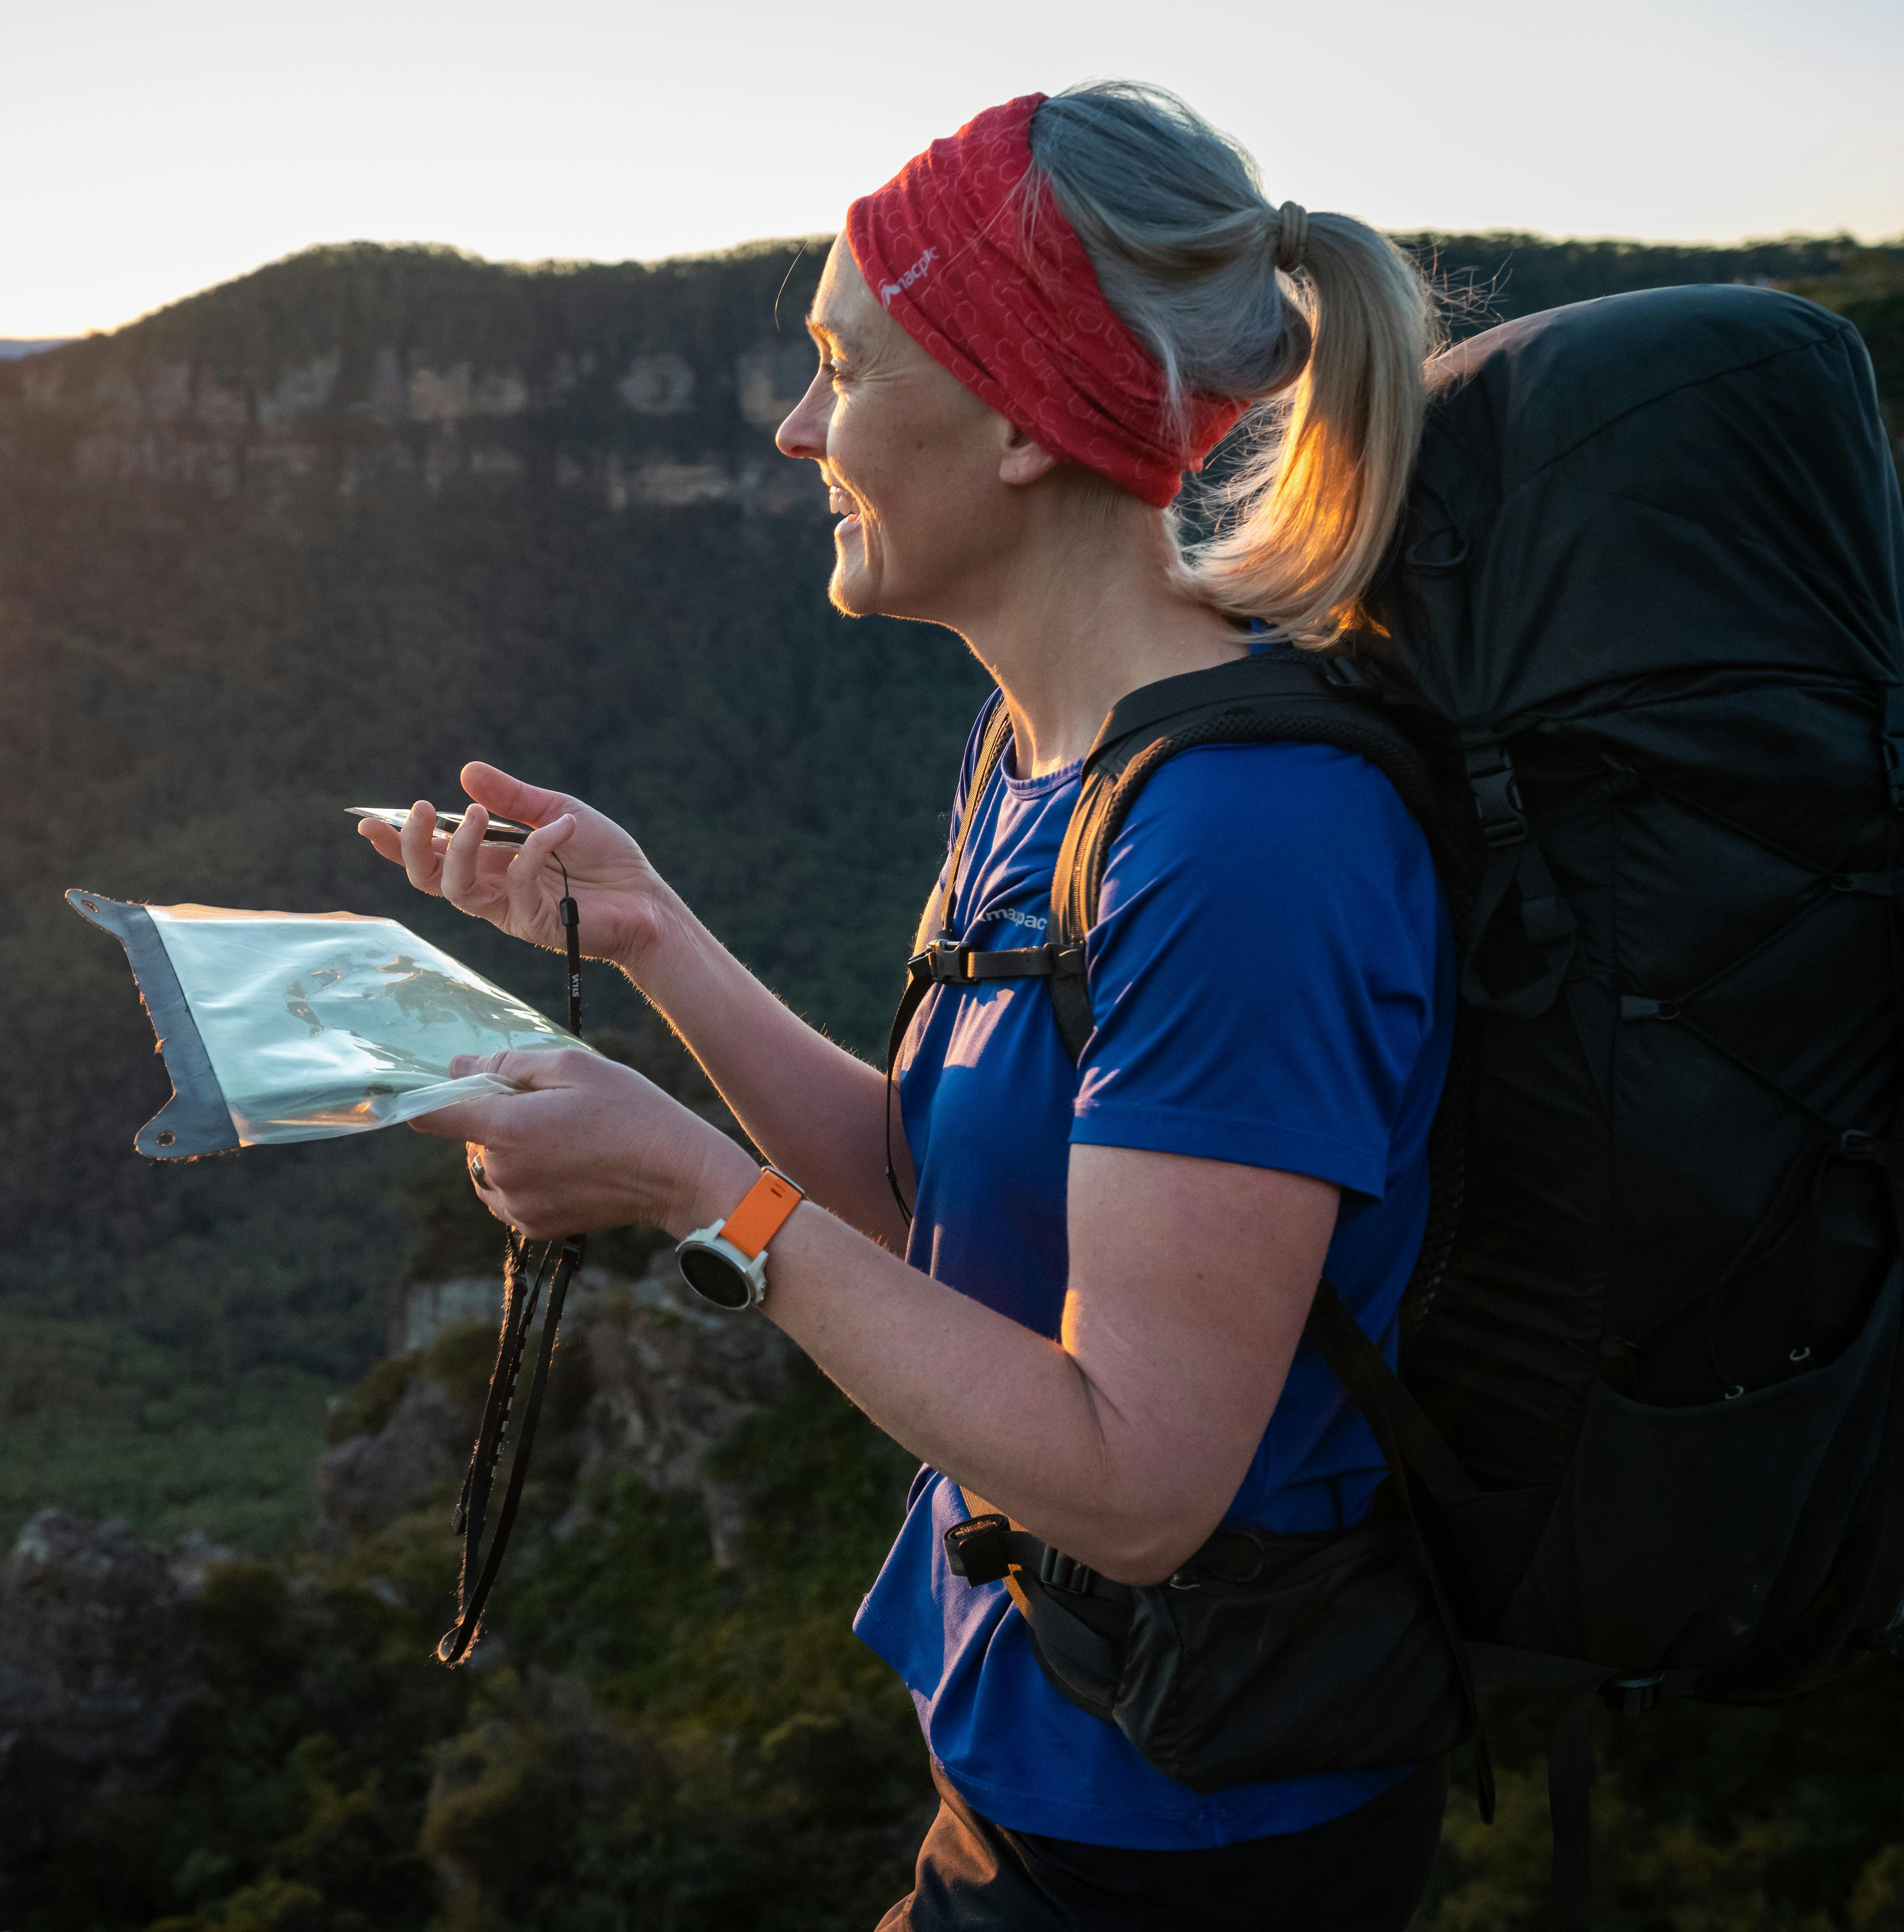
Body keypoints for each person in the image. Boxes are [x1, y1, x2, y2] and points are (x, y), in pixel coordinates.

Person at [357, 82, 1455, 1932]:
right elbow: (928, 1197)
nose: (795, 432)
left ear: (1023, 417)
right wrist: (650, 937)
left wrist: (700, 1195)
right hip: (1032, 1741)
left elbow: (1135, 1480)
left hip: (1187, 1840)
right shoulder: (1044, 756)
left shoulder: (1249, 840)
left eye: (841, 371)